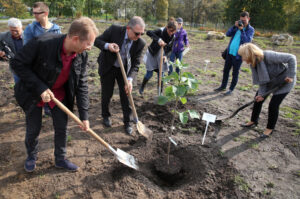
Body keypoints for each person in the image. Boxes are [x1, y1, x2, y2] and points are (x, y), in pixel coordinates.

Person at [11, 17, 99, 172]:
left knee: (62, 127)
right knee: (34, 128)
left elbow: (82, 83)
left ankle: (60, 159)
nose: (90, 48)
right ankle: (31, 156)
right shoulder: (42, 43)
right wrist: (40, 88)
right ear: (76, 39)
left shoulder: (81, 55)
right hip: (33, 91)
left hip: (59, 93)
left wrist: (84, 116)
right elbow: (17, 63)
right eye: (88, 44)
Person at [94, 16, 146, 135]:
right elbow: (97, 41)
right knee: (107, 94)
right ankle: (105, 115)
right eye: (137, 33)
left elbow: (136, 63)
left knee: (126, 96)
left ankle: (127, 122)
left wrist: (130, 79)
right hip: (109, 66)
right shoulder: (114, 30)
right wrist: (108, 46)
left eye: (141, 34)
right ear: (128, 28)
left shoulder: (140, 43)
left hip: (125, 71)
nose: (139, 37)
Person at [238, 43, 297, 138]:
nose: (243, 59)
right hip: (270, 83)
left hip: (284, 83)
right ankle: (253, 121)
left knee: (273, 105)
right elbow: (262, 81)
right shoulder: (254, 64)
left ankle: (270, 128)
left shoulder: (268, 56)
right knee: (257, 100)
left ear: (249, 54)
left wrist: (290, 75)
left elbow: (291, 58)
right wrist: (261, 94)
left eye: (243, 56)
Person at [23, 1, 62, 116]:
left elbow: (59, 47)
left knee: (50, 84)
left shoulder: (56, 29)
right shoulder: (31, 29)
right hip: (37, 63)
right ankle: (36, 106)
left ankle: (47, 106)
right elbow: (27, 47)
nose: (34, 15)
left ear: (45, 13)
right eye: (33, 12)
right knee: (38, 85)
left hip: (51, 63)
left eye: (37, 13)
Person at [214, 11, 254, 95]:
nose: (242, 22)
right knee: (226, 70)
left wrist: (242, 29)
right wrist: (234, 26)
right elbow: (228, 34)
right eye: (241, 20)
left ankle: (231, 89)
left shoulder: (250, 29)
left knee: (235, 72)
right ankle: (223, 86)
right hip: (230, 52)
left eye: (244, 20)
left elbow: (247, 41)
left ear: (248, 19)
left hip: (239, 55)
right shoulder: (236, 26)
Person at [139, 19, 177, 95]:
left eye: (173, 32)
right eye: (170, 31)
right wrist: (159, 40)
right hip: (152, 54)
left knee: (161, 75)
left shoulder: (173, 37)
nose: (171, 33)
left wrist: (166, 56)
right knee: (149, 74)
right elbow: (149, 32)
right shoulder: (161, 31)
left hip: (161, 56)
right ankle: (142, 87)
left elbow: (170, 49)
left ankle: (160, 93)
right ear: (167, 27)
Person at [0, 18, 23, 83]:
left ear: (21, 28)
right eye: (12, 30)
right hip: (15, 68)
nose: (14, 33)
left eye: (16, 30)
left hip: (30, 67)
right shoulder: (3, 36)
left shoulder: (29, 35)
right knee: (19, 87)